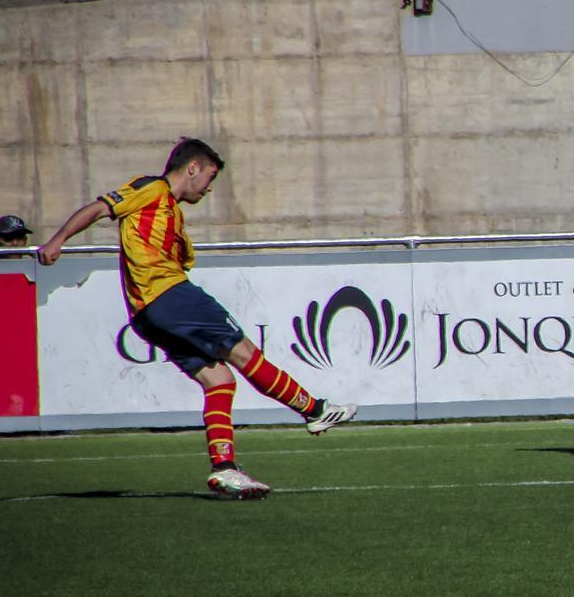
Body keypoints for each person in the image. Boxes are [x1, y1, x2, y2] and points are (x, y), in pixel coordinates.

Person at [38, 137, 357, 500]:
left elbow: (180, 256)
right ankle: (313, 410)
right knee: (243, 353)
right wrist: (58, 239)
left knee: (218, 379)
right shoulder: (151, 188)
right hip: (169, 295)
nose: (209, 187)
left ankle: (224, 469)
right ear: (192, 168)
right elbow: (98, 209)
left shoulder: (172, 213)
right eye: (209, 176)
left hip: (146, 313)